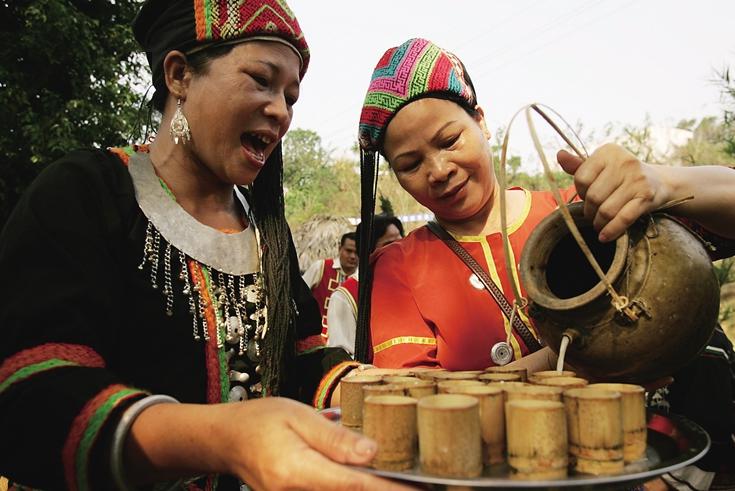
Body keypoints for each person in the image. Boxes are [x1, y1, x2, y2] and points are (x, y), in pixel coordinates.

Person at [0, 2, 412, 490]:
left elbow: (301, 360)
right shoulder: (84, 194)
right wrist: (223, 439)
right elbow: (28, 392)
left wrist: (391, 389)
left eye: (291, 96)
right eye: (261, 80)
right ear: (179, 75)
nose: (281, 111)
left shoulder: (268, 234)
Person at [353, 37, 735, 372]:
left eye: (450, 140)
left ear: (481, 122)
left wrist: (664, 182)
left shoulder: (582, 212)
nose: (438, 170)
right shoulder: (398, 267)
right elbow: (414, 401)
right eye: (411, 164)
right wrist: (555, 360)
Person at [327, 215, 404, 356]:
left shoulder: (409, 285)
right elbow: (344, 357)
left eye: (402, 242)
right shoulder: (345, 297)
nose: (400, 249)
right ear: (369, 250)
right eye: (389, 244)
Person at [302, 232, 359, 346]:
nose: (353, 256)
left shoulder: (360, 280)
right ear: (339, 249)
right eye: (348, 251)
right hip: (315, 342)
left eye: (357, 253)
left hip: (348, 346)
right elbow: (299, 296)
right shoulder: (321, 267)